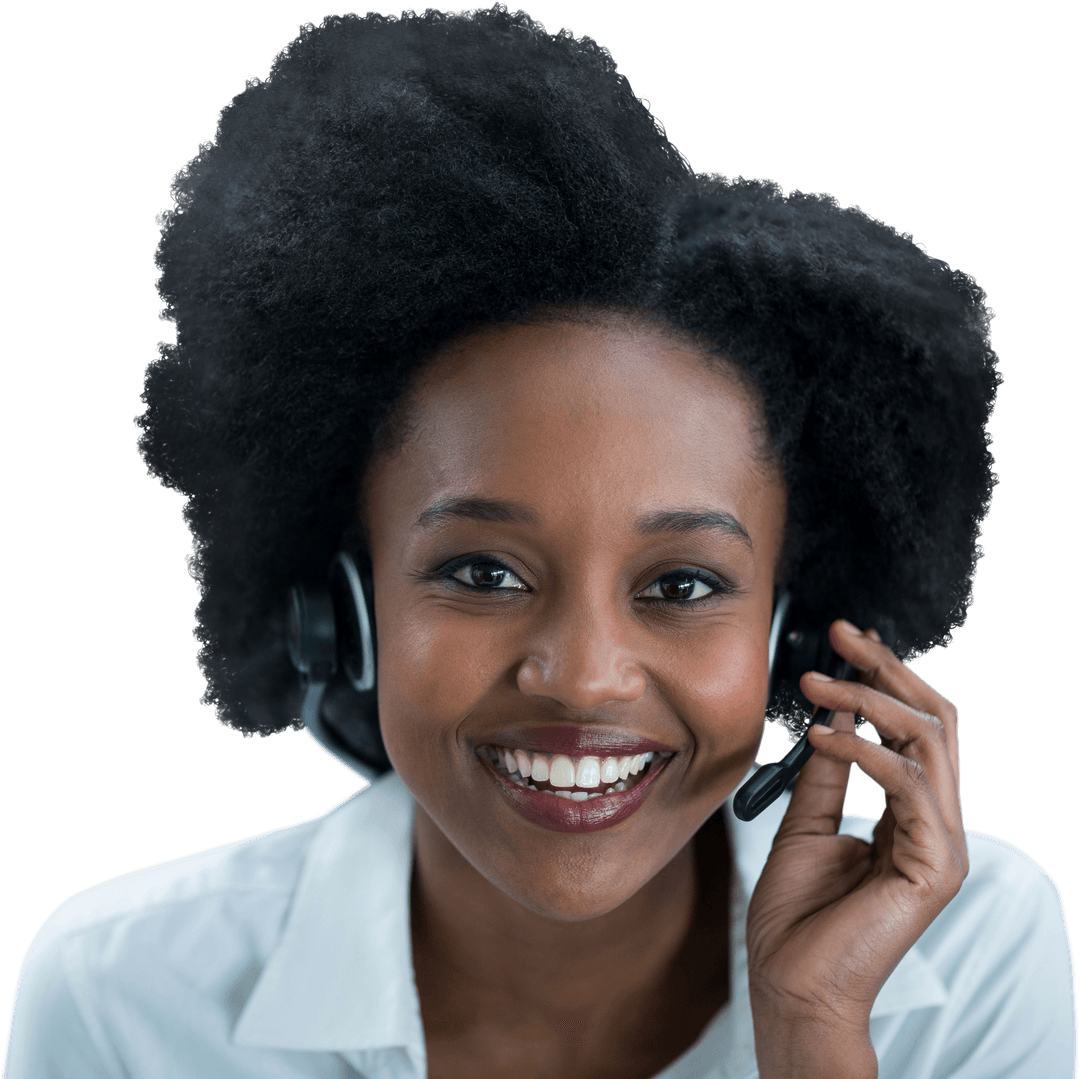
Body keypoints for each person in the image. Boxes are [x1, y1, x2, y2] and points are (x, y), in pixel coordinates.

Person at [4, 6, 1076, 1078]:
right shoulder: (122, 998)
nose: (584, 677)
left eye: (684, 582)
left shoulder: (966, 947)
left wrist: (814, 1030)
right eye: (483, 571)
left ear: (788, 638)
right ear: (348, 611)